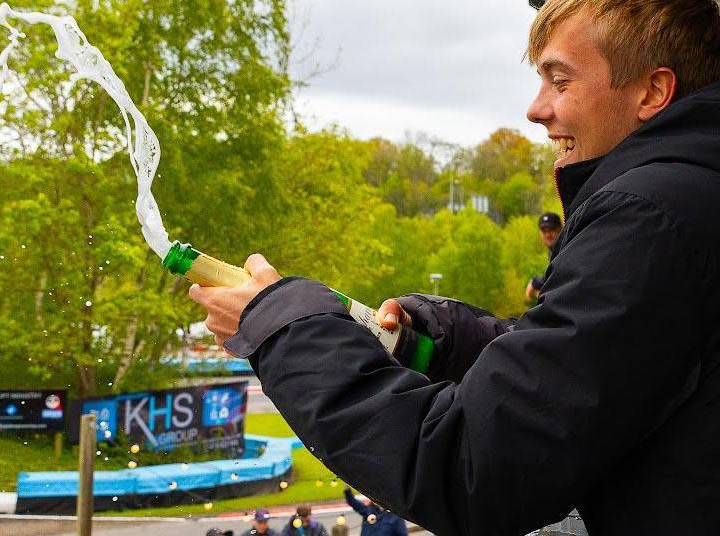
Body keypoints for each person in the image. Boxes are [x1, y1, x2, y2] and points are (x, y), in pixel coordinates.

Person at [189, 0, 720, 534]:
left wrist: (285, 327)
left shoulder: (652, 218)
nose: (535, 110)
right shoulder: (686, 199)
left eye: (559, 82)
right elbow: (585, 365)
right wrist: (439, 343)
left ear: (652, 92)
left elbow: (471, 465)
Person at [525, 212, 563, 300]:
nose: (548, 235)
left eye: (552, 230)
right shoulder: (553, 249)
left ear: (561, 229)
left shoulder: (565, 247)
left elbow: (558, 275)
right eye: (544, 231)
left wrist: (535, 282)